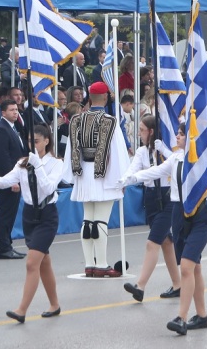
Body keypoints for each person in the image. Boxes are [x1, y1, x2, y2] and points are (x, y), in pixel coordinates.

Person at [121, 126, 207, 335]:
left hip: (199, 214)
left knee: (187, 267)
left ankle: (181, 317)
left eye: (182, 134)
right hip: (179, 213)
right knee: (195, 268)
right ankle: (201, 316)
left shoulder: (201, 159)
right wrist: (131, 178)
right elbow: (155, 171)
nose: (178, 136)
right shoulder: (175, 158)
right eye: (178, 133)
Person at [0, 124, 64, 323]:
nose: (32, 145)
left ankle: (22, 310)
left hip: (47, 216)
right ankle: (55, 304)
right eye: (29, 141)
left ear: (46, 141)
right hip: (29, 216)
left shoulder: (56, 163)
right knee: (44, 263)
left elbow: (49, 187)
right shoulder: (22, 163)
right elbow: (6, 181)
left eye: (36, 141)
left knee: (32, 263)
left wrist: (38, 165)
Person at [68, 81, 130, 277]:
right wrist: (123, 179)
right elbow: (118, 153)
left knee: (88, 220)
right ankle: (101, 264)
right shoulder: (110, 121)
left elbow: (71, 150)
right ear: (105, 97)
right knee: (100, 221)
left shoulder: (76, 120)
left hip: (83, 174)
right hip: (103, 175)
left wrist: (74, 174)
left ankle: (89, 264)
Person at [122, 116, 181, 303]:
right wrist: (125, 179)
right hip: (151, 197)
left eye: (142, 130)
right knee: (165, 242)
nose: (139, 133)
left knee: (152, 242)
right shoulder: (141, 151)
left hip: (167, 197)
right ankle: (178, 284)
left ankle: (140, 286)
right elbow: (133, 168)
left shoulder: (169, 150)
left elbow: (179, 163)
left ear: (152, 131)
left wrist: (163, 149)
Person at [0, 100, 27, 259]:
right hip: (7, 179)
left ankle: (8, 245)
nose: (15, 112)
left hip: (15, 177)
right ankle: (4, 248)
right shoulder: (1, 129)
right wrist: (12, 180)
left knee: (10, 213)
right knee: (5, 214)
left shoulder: (12, 128)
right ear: (3, 112)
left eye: (16, 109)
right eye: (12, 110)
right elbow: (3, 158)